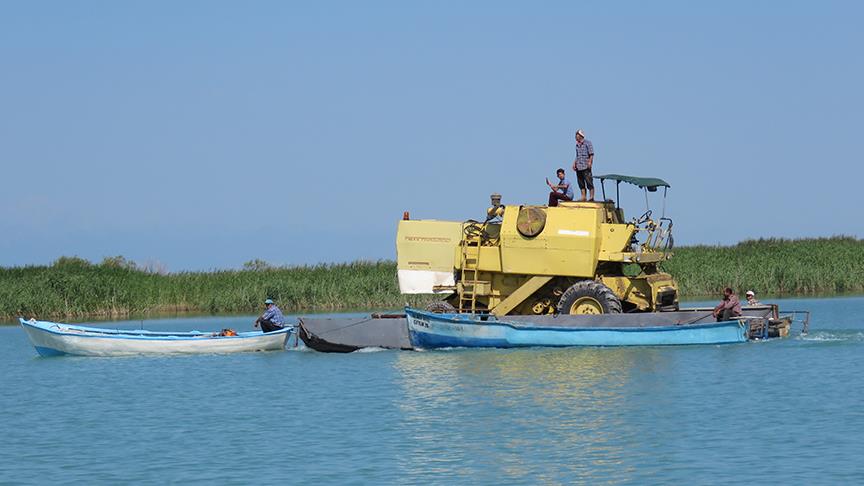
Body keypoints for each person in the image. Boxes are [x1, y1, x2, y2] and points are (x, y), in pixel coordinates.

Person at [571, 129, 595, 201]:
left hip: (586, 166)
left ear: (580, 135)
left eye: (577, 135)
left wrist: (590, 162)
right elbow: (577, 155)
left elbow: (591, 154)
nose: (576, 136)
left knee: (589, 182)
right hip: (579, 166)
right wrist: (574, 163)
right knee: (581, 183)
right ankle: (583, 197)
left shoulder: (588, 143)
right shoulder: (577, 145)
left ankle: (591, 197)